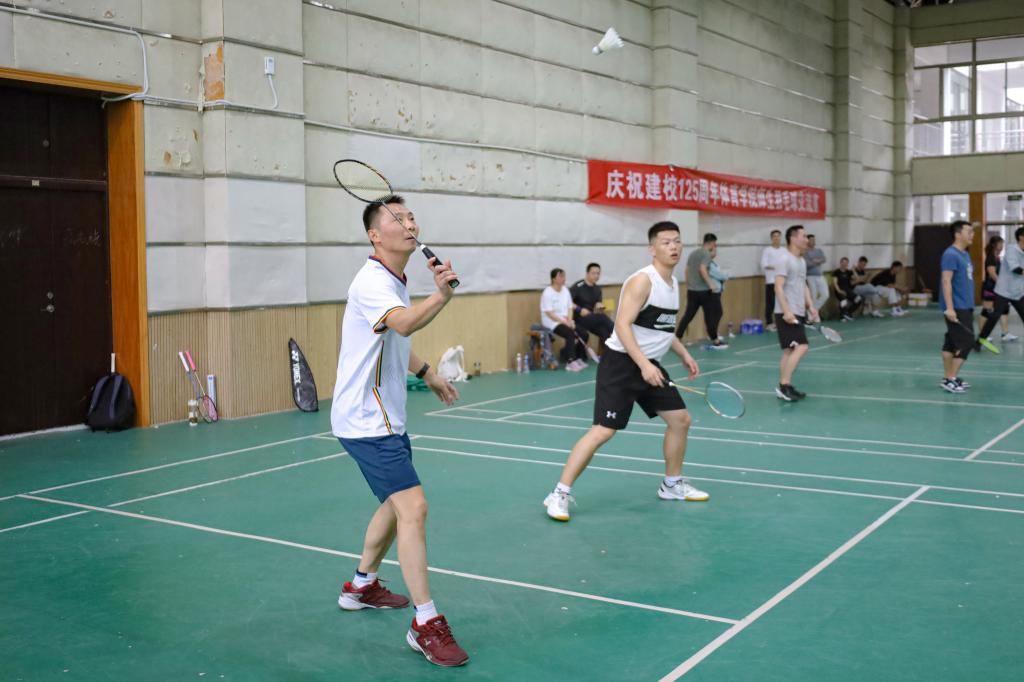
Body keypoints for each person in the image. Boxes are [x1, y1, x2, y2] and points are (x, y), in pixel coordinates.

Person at [332, 195, 469, 667]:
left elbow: (393, 336)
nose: (409, 223)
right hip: (365, 420)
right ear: (375, 235)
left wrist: (428, 372)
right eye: (397, 218)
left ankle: (361, 586)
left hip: (384, 416)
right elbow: (404, 323)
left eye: (411, 216)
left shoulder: (394, 279)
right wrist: (442, 295)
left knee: (394, 507)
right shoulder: (371, 281)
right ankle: (425, 623)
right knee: (414, 507)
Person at [543, 221, 705, 522]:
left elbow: (663, 328)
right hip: (621, 364)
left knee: (680, 420)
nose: (673, 246)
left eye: (677, 241)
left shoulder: (672, 284)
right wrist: (643, 364)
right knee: (604, 431)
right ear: (652, 248)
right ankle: (559, 493)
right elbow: (621, 325)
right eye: (666, 242)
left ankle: (671, 485)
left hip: (648, 364)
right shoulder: (643, 281)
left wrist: (684, 354)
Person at [774, 224, 819, 401]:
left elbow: (803, 285)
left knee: (789, 350)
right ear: (793, 238)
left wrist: (811, 306)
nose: (807, 240)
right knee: (802, 346)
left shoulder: (801, 261)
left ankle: (785, 386)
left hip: (798, 310)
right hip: (786, 312)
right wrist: (786, 311)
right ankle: (784, 385)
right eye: (804, 236)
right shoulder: (784, 259)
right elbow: (778, 287)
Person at [939, 220, 977, 394]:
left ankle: (948, 378)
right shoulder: (950, 254)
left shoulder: (965, 254)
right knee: (967, 341)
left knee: (951, 343)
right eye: (969, 232)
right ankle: (951, 378)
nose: (972, 235)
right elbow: (946, 281)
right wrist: (950, 308)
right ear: (958, 234)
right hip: (957, 306)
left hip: (966, 304)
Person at [675, 233, 727, 349]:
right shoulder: (706, 254)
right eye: (715, 244)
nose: (714, 246)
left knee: (688, 316)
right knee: (710, 317)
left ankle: (677, 338)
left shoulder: (693, 253)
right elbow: (702, 269)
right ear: (712, 243)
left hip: (692, 291)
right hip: (704, 291)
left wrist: (689, 284)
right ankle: (715, 340)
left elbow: (687, 270)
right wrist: (711, 284)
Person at [978, 227, 1024, 344]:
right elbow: (1015, 269)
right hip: (1002, 290)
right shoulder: (1011, 250)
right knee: (994, 315)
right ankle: (980, 340)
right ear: (1021, 237)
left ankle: (1005, 333)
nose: (1002, 245)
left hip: (1017, 291)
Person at [542, 268, 589, 371]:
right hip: (552, 322)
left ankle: (577, 358)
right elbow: (550, 313)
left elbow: (570, 307)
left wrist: (570, 320)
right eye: (560, 276)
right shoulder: (547, 292)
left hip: (566, 320)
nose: (563, 278)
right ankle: (570, 362)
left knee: (584, 334)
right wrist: (564, 322)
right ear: (553, 279)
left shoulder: (565, 290)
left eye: (564, 276)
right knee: (570, 333)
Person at [570, 262, 615, 344]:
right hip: (579, 319)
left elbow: (596, 308)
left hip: (592, 318)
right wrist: (579, 309)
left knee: (604, 333)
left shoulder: (597, 289)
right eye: (593, 273)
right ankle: (617, 331)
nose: (596, 276)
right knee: (602, 317)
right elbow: (567, 302)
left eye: (598, 273)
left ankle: (607, 352)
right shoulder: (578, 286)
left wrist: (599, 307)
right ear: (587, 273)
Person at [761, 230, 786, 331]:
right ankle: (769, 323)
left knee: (782, 302)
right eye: (774, 236)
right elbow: (764, 264)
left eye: (778, 236)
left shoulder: (784, 250)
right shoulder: (767, 250)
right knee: (770, 303)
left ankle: (781, 322)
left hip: (782, 281)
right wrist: (777, 267)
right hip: (771, 280)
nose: (776, 238)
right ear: (771, 238)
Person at [831, 257, 863, 321]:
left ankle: (848, 313)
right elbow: (835, 283)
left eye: (846, 263)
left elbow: (857, 278)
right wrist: (839, 291)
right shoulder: (836, 272)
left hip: (848, 290)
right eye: (843, 263)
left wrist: (853, 270)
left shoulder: (848, 272)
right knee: (844, 300)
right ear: (840, 263)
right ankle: (842, 316)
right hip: (839, 290)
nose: (844, 264)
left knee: (859, 299)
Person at [804, 234, 829, 311]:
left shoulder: (819, 250)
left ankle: (814, 310)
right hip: (810, 276)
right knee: (813, 296)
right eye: (811, 240)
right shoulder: (805, 252)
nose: (813, 241)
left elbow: (824, 259)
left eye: (814, 240)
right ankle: (812, 314)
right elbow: (807, 264)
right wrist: (818, 261)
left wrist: (815, 261)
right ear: (807, 241)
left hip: (820, 275)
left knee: (825, 294)